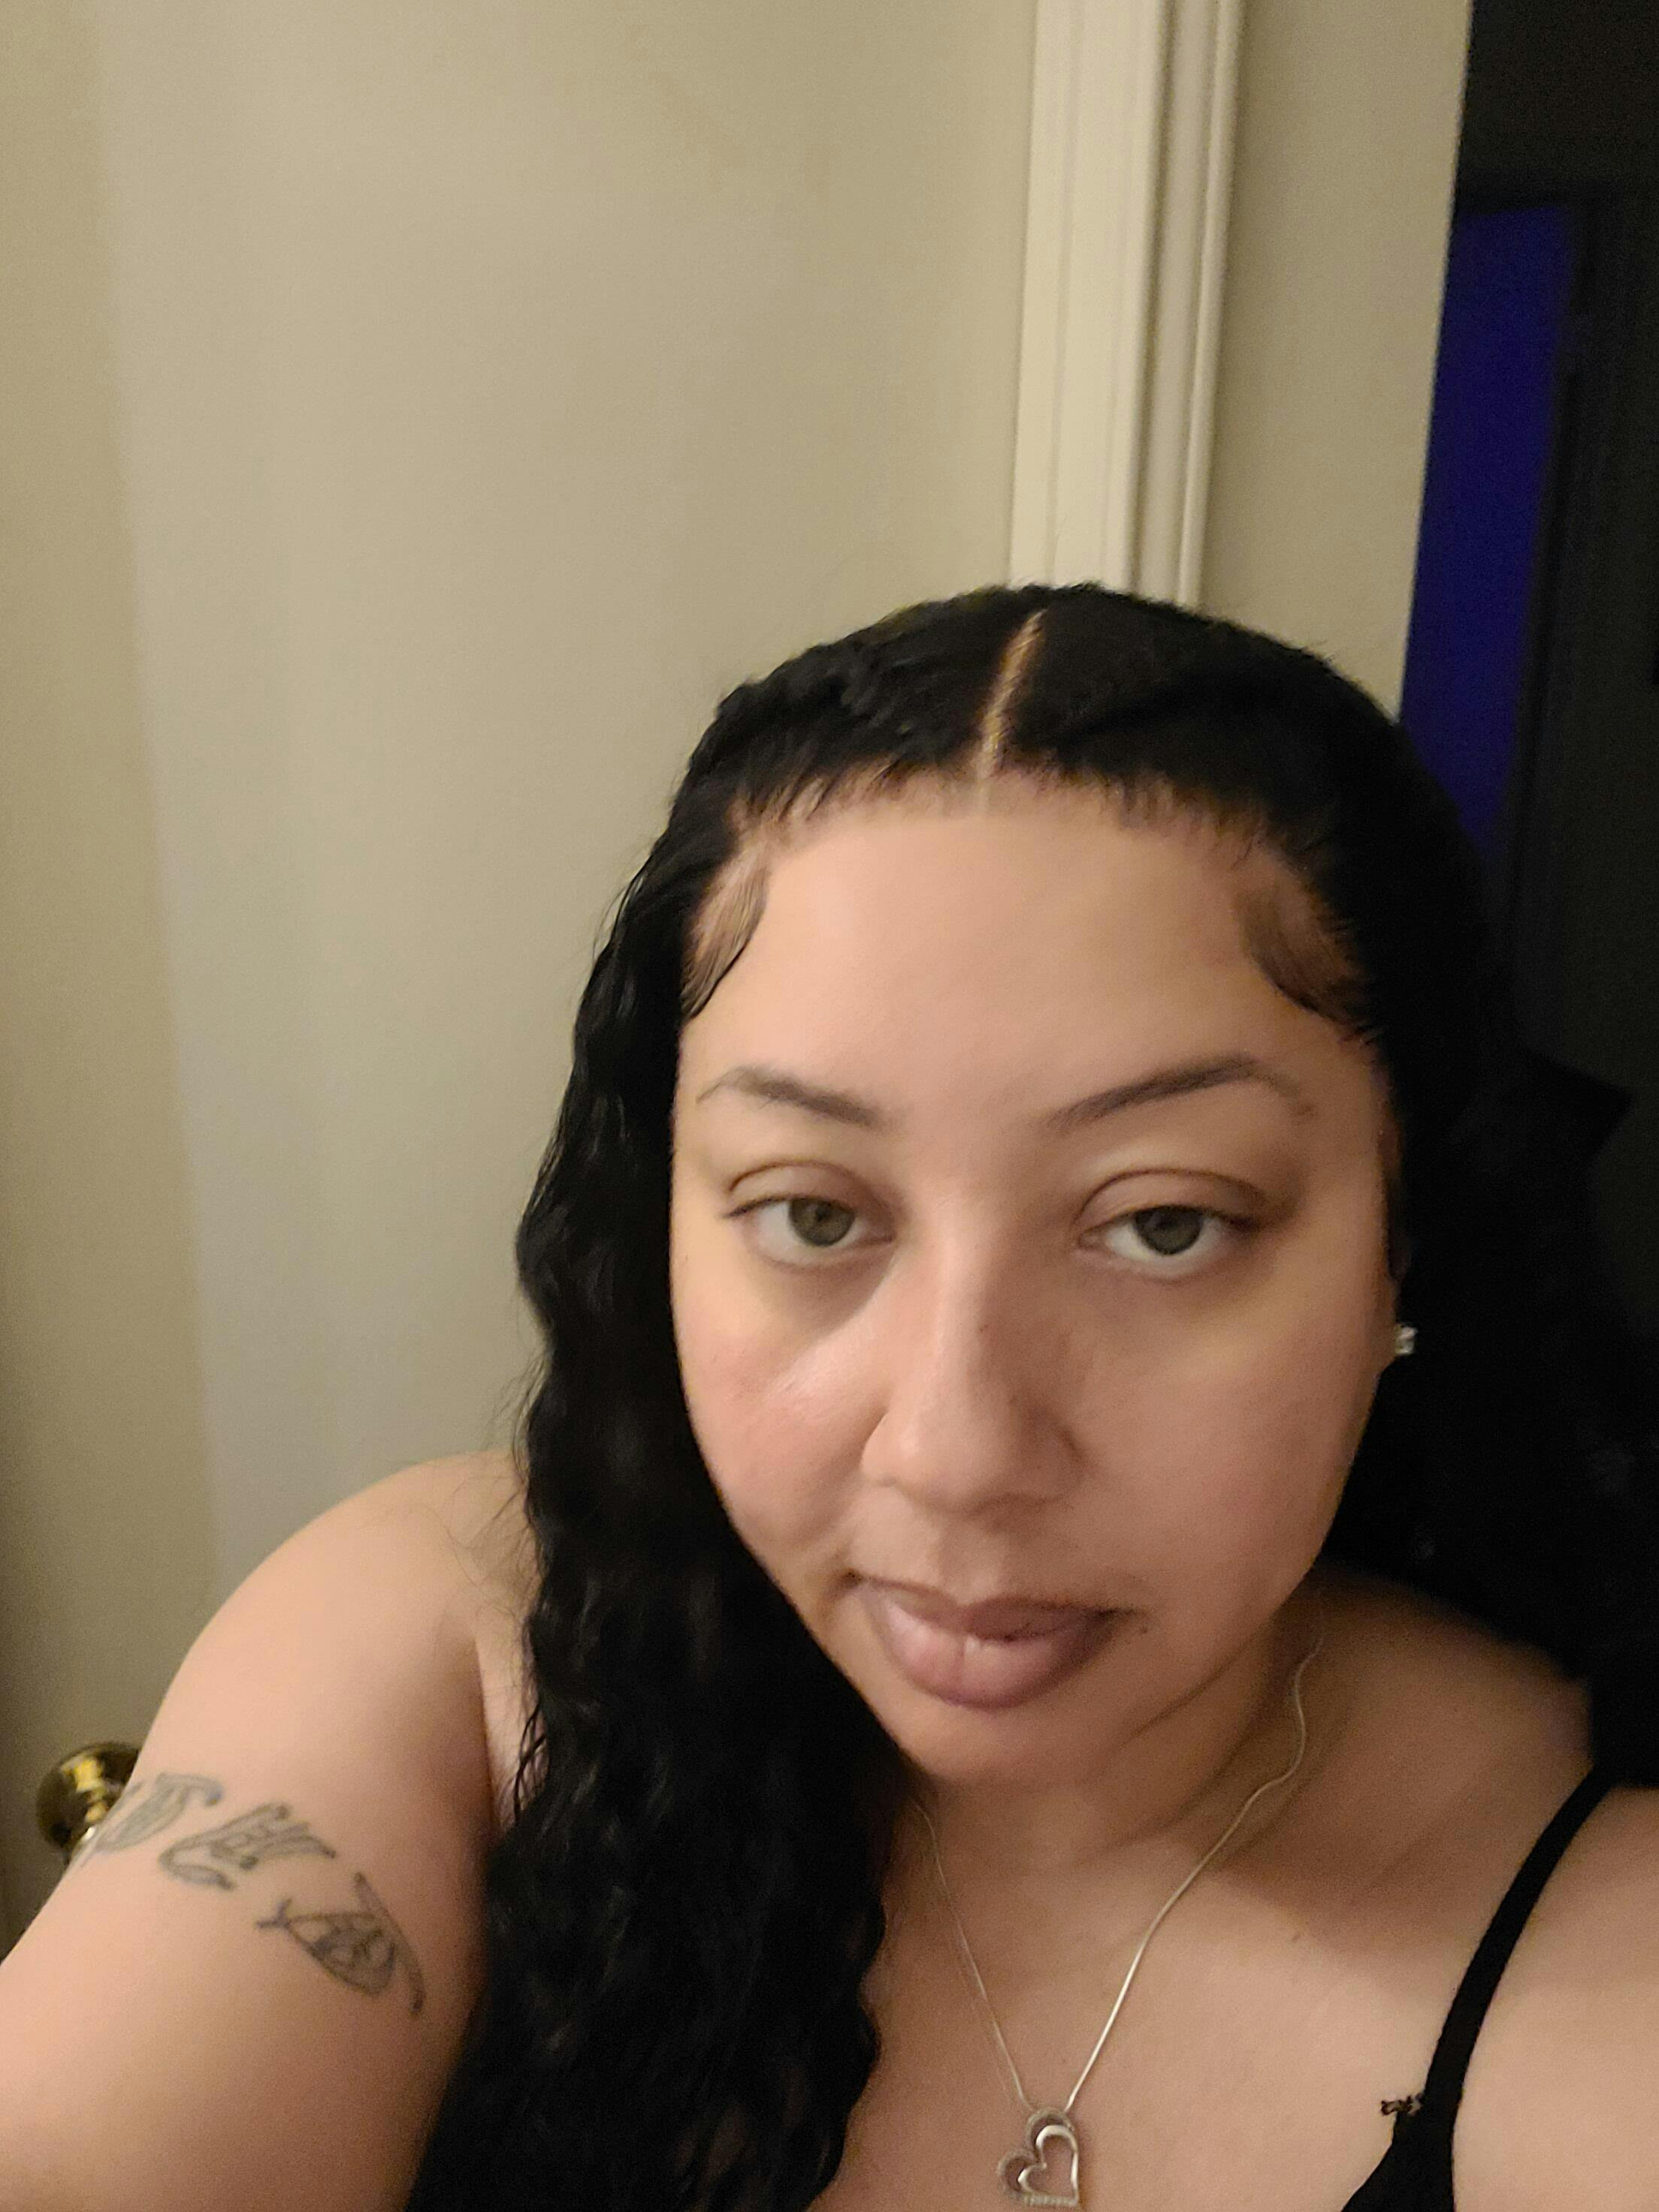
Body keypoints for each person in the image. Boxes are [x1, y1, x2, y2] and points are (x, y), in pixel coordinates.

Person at [2, 584, 1657, 2212]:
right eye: (812, 1212)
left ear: (1405, 1238)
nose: (952, 1449)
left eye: (1166, 1223)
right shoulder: (457, 1643)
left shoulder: (1598, 1905)